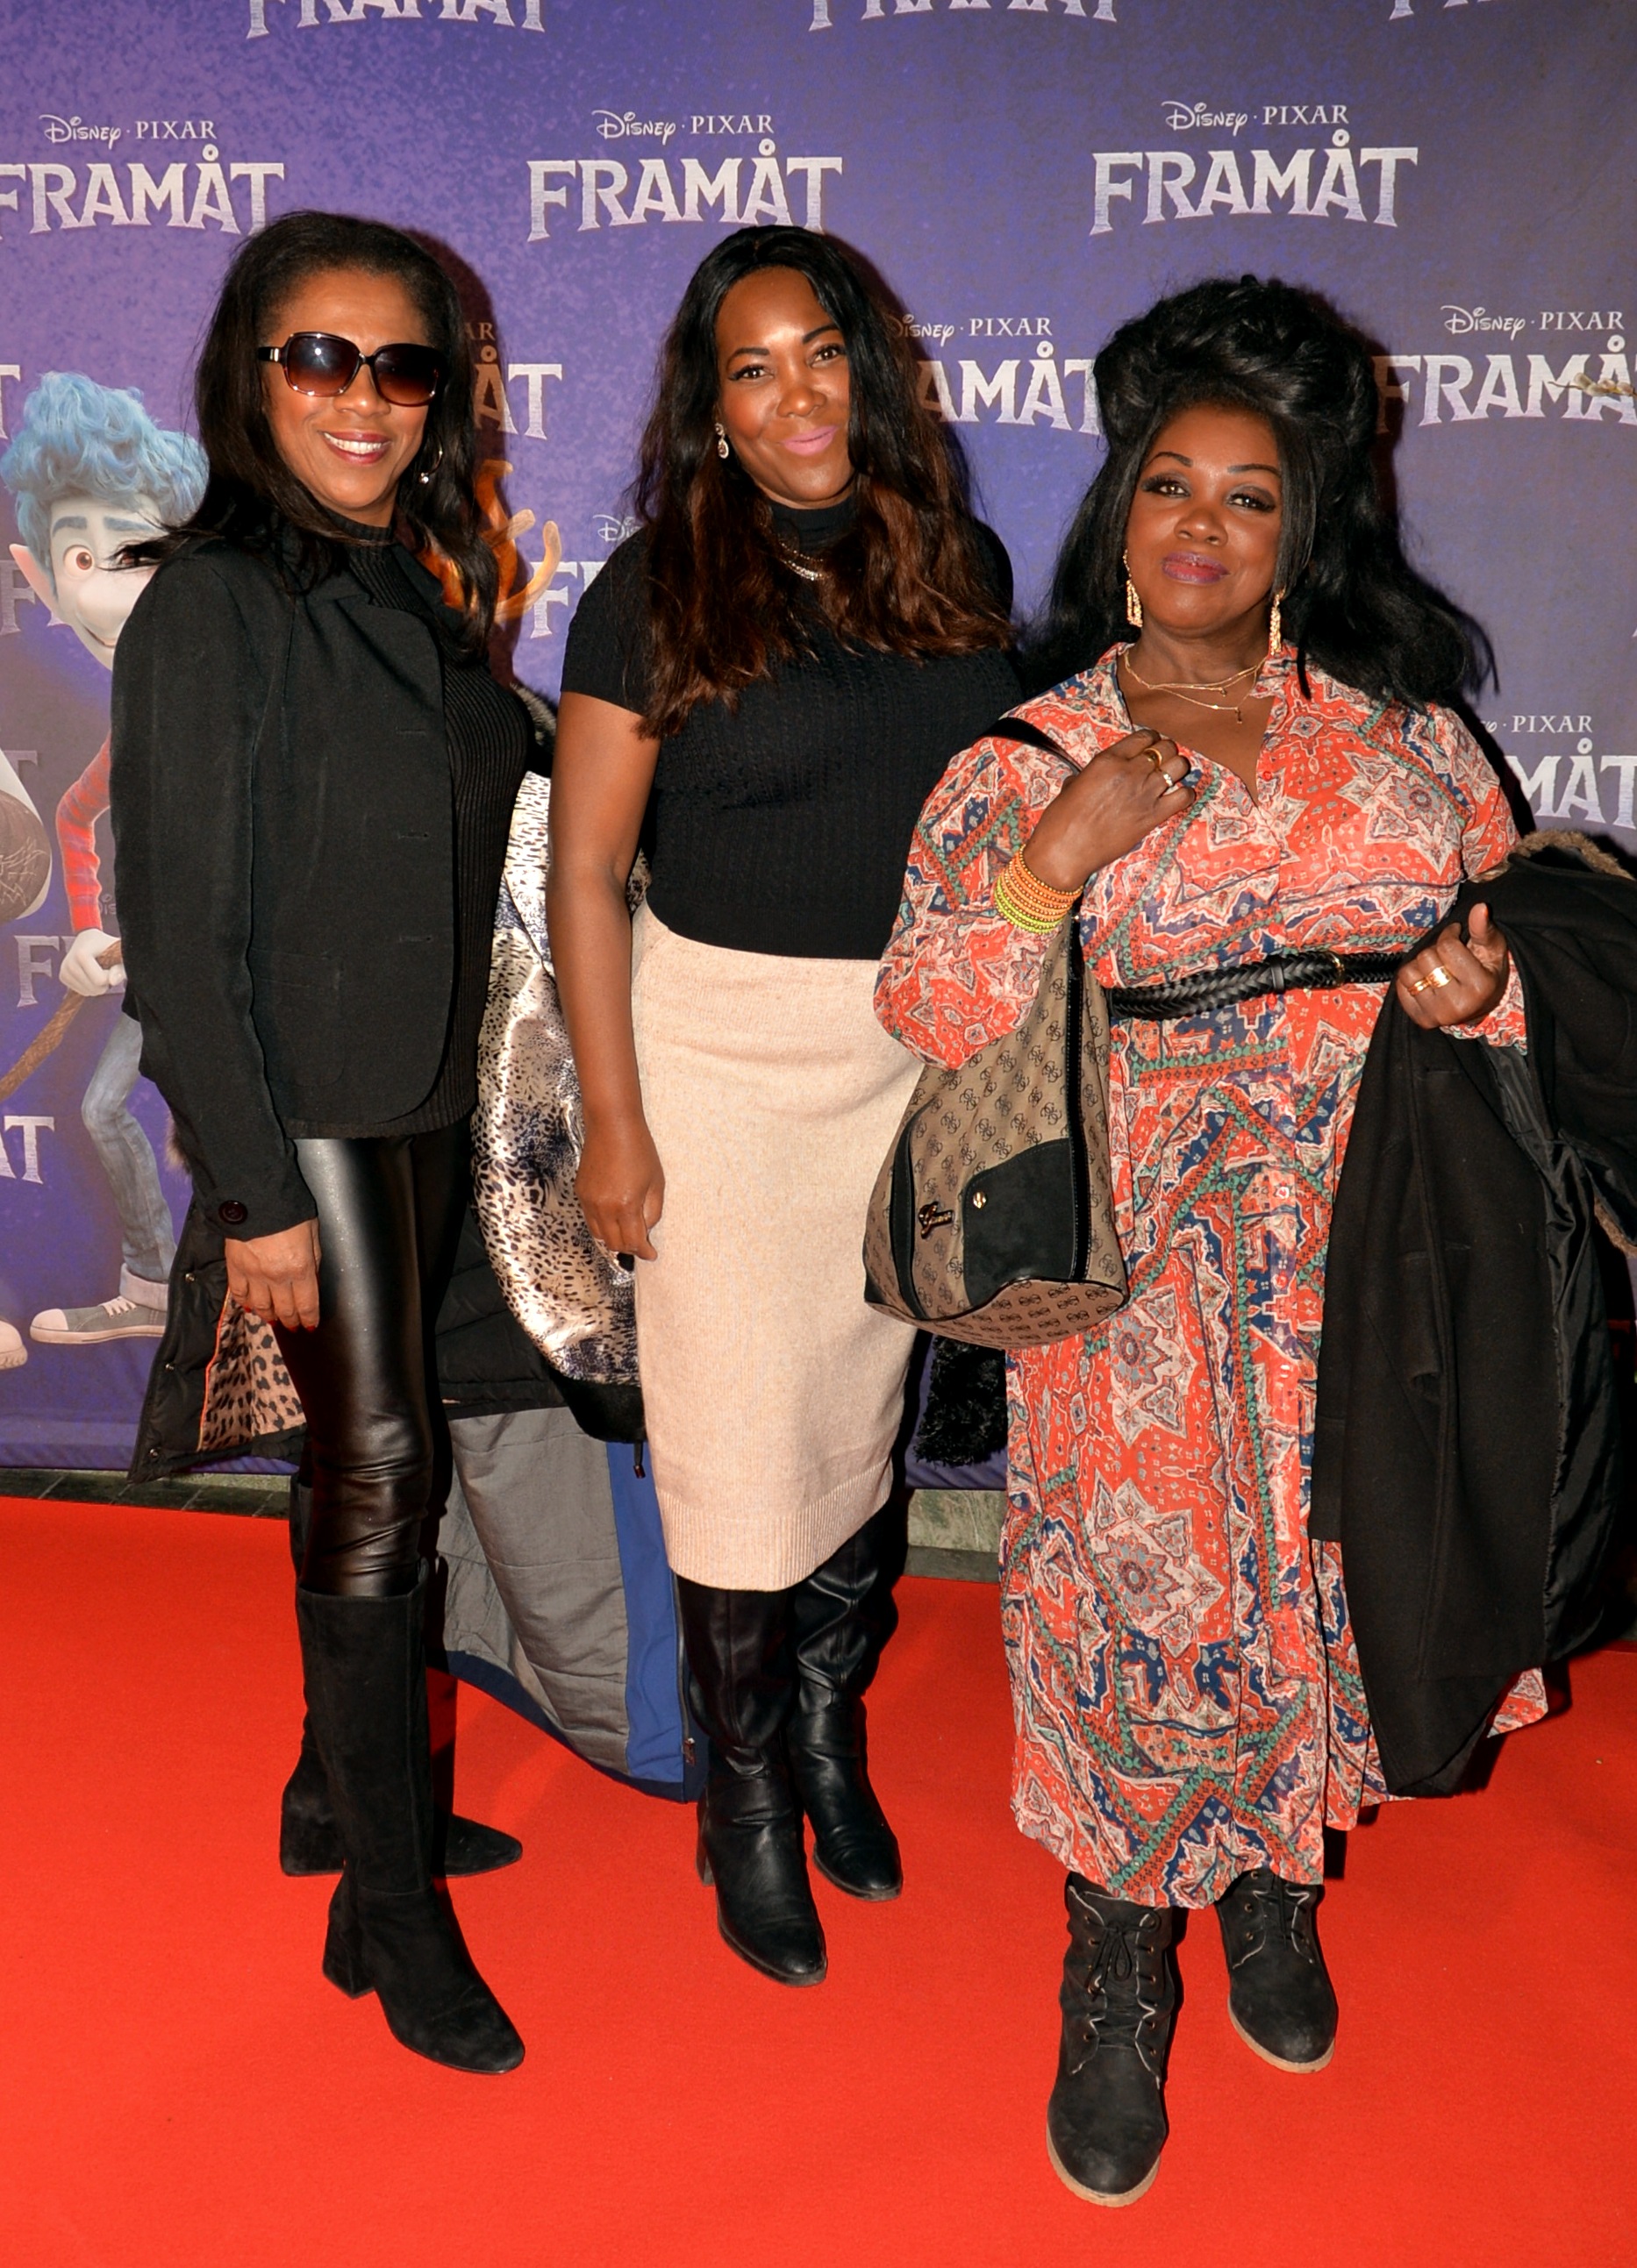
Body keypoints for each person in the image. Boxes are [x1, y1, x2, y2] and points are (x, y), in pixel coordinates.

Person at [876, 275, 1545, 2201]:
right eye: (1170, 484)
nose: (1201, 525)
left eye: (1251, 496)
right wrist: (1051, 862)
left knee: (1325, 1588)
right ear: (1121, 509)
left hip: (1368, 1268)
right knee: (1141, 1618)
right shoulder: (1028, 755)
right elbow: (927, 1006)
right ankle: (1113, 1959)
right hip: (1134, 1297)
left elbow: (1524, 967)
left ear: (1302, 530)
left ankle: (1270, 1885)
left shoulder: (1401, 743)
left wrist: (1475, 991)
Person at [549, 225, 1019, 1986]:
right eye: (752, 369)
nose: (796, 395)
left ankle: (827, 1733)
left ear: (868, 367)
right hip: (717, 1067)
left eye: (821, 352)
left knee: (857, 1427)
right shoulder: (653, 588)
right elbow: (585, 873)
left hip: (907, 1059)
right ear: (711, 407)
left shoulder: (952, 560)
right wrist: (615, 1119)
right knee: (742, 1453)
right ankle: (741, 1798)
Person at [111, 210, 536, 2074]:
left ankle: (328, 1797)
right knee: (380, 1479)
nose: (364, 397)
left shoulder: (410, 586)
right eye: (321, 357)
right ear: (251, 374)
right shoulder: (214, 606)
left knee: (385, 1466)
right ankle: (389, 1903)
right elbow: (177, 930)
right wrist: (256, 1190)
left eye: (403, 365)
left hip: (430, 1103)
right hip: (320, 1125)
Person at [3, 372, 205, 1348]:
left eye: (138, 552)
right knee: (101, 1108)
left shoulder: (234, 696)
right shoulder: (136, 722)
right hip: (163, 967)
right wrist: (89, 931)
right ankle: (156, 1286)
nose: (104, 586)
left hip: (253, 981)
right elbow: (76, 817)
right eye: (82, 556)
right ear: (41, 577)